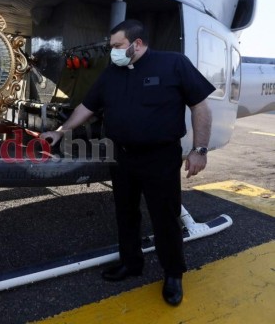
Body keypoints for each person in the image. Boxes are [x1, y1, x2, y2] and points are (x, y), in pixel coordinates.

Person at [40, 19, 215, 306]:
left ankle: (173, 274)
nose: (113, 52)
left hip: (160, 157)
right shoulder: (112, 73)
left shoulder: (174, 64)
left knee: (165, 216)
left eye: (118, 46)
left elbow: (200, 105)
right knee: (126, 213)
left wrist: (200, 149)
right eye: (111, 47)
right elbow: (88, 106)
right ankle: (131, 263)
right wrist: (60, 132)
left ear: (137, 44)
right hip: (122, 155)